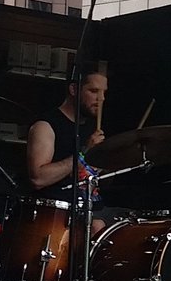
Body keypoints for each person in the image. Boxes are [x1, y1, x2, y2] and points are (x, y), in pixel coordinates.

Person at [26, 68, 109, 235]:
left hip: (94, 208)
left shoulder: (93, 129)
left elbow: (97, 178)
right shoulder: (46, 126)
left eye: (104, 93)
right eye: (93, 91)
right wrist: (84, 153)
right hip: (60, 216)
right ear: (74, 90)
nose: (101, 98)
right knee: (98, 226)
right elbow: (38, 178)